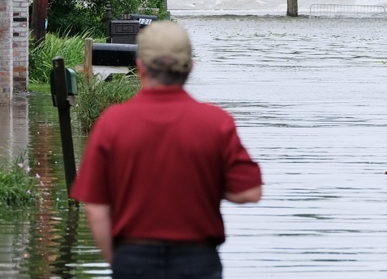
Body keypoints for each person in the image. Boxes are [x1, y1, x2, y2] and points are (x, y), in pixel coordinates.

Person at [71, 21, 262, 279]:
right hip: (197, 262)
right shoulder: (216, 122)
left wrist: (119, 263)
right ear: (190, 68)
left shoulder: (112, 122)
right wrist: (204, 180)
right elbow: (249, 192)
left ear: (140, 67)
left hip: (133, 259)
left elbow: (95, 207)